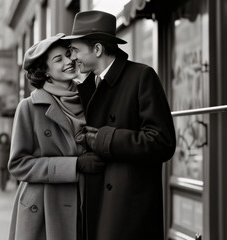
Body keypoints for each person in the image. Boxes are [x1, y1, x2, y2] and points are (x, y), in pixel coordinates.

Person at [63, 10, 176, 240]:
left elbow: (162, 142)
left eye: (75, 50)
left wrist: (105, 139)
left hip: (129, 210)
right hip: (96, 205)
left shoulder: (141, 76)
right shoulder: (86, 86)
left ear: (97, 49)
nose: (71, 57)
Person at [8, 33, 105, 240]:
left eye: (69, 54)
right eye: (58, 59)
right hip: (45, 208)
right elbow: (18, 164)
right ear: (45, 72)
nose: (69, 61)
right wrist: (74, 165)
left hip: (88, 198)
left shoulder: (92, 97)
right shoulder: (29, 107)